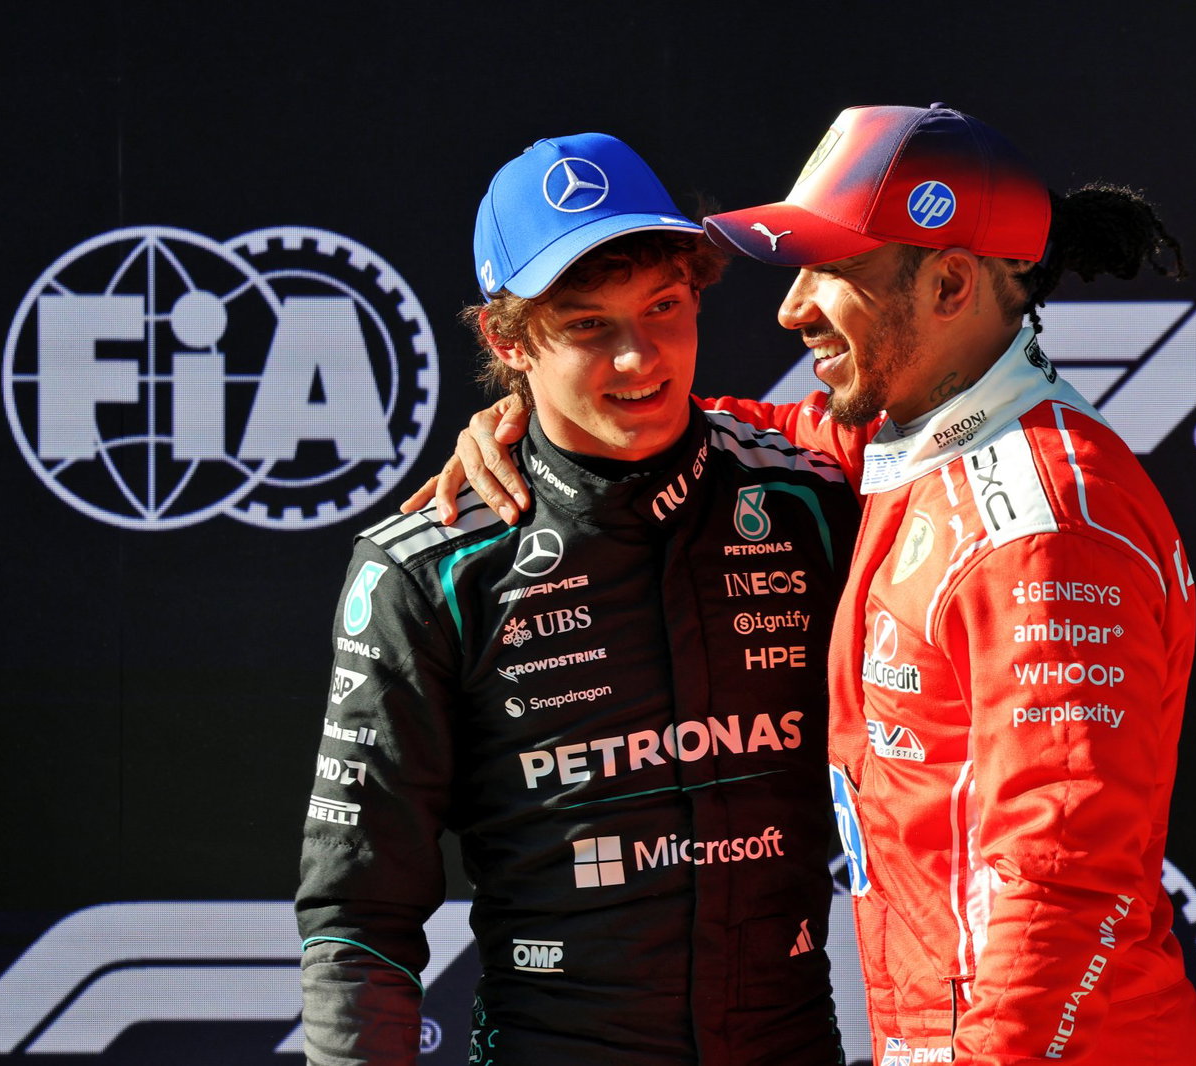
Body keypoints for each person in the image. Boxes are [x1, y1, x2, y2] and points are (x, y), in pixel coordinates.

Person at [414, 104, 1196, 1065]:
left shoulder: (1042, 529)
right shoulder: (902, 444)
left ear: (952, 282)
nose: (792, 309)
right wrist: (541, 416)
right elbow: (721, 428)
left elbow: (1056, 886)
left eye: (831, 271)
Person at [295, 131, 857, 1065]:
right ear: (506, 339)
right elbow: (359, 913)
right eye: (589, 325)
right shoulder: (427, 569)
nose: (641, 358)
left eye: (665, 307)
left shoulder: (815, 499)